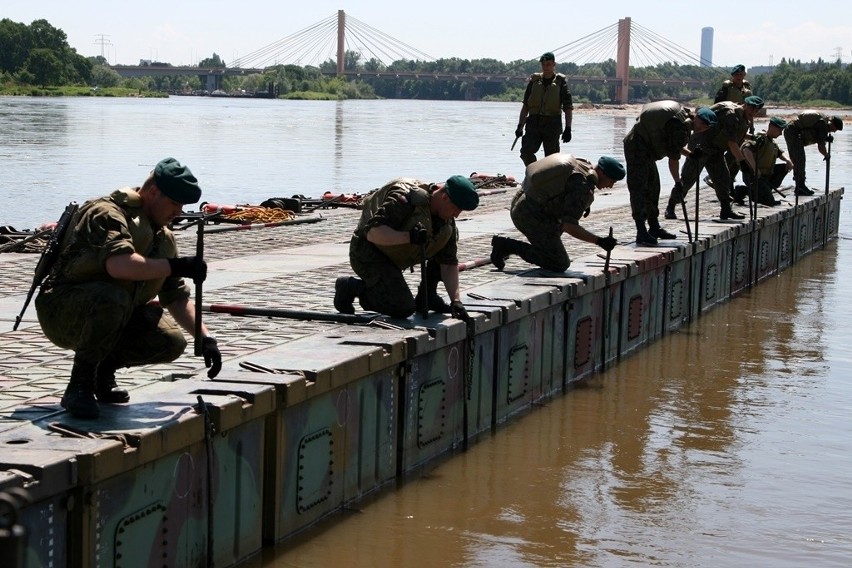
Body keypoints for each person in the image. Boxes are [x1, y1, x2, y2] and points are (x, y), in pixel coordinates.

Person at [35, 157, 222, 419]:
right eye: (174, 203)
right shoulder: (107, 214)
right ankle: (79, 385)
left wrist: (206, 339)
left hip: (111, 312)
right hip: (62, 309)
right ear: (153, 192)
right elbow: (119, 266)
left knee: (170, 340)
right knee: (112, 298)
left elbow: (176, 297)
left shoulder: (161, 236)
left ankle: (102, 373)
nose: (178, 212)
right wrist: (175, 265)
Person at [334, 175, 479, 320]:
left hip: (395, 254)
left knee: (441, 238)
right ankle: (351, 287)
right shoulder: (406, 200)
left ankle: (427, 297)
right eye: (457, 209)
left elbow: (448, 263)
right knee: (402, 307)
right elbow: (373, 233)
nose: (457, 215)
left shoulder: (446, 221)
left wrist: (456, 301)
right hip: (368, 252)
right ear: (445, 197)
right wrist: (409, 237)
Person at [490, 154, 623, 272]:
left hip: (523, 201)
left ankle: (541, 246)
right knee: (559, 262)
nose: (610, 186)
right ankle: (506, 246)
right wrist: (600, 241)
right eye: (611, 181)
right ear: (601, 172)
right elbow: (570, 226)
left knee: (553, 240)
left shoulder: (583, 166)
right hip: (528, 215)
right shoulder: (582, 186)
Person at [665, 98, 763, 221]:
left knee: (723, 177)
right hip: (701, 145)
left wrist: (753, 137)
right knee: (688, 178)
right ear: (745, 105)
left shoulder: (743, 118)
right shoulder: (732, 115)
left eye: (757, 110)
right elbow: (732, 142)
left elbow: (735, 134)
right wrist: (742, 162)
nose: (754, 111)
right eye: (752, 108)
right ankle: (671, 207)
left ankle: (726, 209)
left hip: (716, 148)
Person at [623, 100, 695, 245]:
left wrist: (691, 155)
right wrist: (677, 181)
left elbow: (674, 145)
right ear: (699, 121)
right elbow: (673, 158)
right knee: (639, 189)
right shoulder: (679, 126)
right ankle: (641, 231)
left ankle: (654, 227)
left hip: (646, 148)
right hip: (636, 146)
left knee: (653, 187)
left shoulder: (683, 120)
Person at [514, 52, 574, 166]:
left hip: (552, 124)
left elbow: (568, 108)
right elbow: (526, 105)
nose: (545, 67)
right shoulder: (534, 81)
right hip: (533, 124)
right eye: (543, 65)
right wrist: (520, 126)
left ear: (554, 64)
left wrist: (568, 128)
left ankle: (549, 181)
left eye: (548, 64)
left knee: (552, 160)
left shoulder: (561, 83)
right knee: (526, 152)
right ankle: (535, 174)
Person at [734, 117, 794, 207]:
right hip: (753, 175)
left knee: (783, 168)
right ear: (771, 127)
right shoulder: (761, 139)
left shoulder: (772, 143)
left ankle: (764, 190)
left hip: (764, 176)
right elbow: (746, 150)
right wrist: (755, 168)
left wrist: (788, 161)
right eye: (779, 130)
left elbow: (780, 153)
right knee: (769, 202)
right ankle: (743, 191)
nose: (781, 134)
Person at [782, 111, 843, 195]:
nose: (835, 131)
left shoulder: (823, 122)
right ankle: (800, 186)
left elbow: (812, 132)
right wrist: (826, 155)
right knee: (799, 159)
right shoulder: (823, 125)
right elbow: (821, 147)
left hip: (793, 130)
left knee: (799, 159)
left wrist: (825, 138)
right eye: (835, 129)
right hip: (793, 132)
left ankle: (800, 185)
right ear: (833, 124)